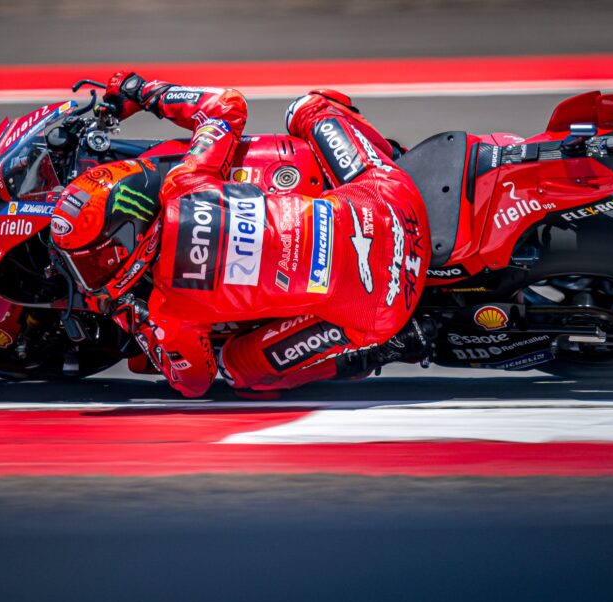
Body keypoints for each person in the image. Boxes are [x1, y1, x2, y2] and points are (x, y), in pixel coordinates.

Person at [50, 71, 433, 398]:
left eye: (93, 258)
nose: (88, 271)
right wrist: (142, 91)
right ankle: (394, 156)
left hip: (381, 307)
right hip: (391, 200)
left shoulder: (167, 310)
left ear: (132, 237)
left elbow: (194, 382)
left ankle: (381, 350)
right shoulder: (186, 182)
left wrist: (132, 319)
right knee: (307, 108)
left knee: (237, 371)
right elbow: (226, 105)